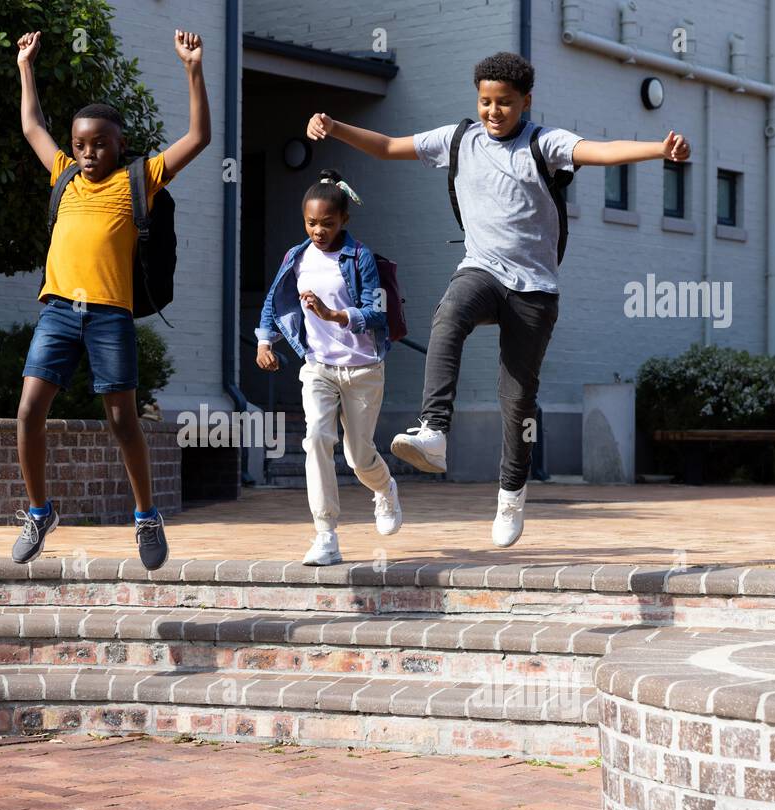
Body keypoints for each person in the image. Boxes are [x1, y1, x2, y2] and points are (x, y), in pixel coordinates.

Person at [306, 51, 689, 547]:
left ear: (526, 102)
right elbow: (386, 146)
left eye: (505, 103)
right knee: (448, 316)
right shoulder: (459, 139)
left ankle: (511, 495)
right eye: (486, 101)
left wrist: (659, 149)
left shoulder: (544, 143)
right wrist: (336, 126)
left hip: (534, 290)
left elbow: (600, 150)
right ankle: (435, 431)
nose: (493, 112)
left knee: (516, 399)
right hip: (482, 270)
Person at [13, 28, 210, 568]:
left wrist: (192, 69)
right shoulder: (64, 176)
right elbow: (33, 125)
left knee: (122, 420)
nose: (88, 152)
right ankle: (38, 511)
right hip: (57, 310)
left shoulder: (140, 178)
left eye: (99, 143)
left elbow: (198, 137)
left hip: (108, 316)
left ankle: (146, 516)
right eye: (79, 144)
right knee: (29, 410)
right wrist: (26, 66)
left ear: (120, 143)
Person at [256, 168, 402, 566]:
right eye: (311, 222)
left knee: (358, 457)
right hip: (318, 366)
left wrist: (335, 315)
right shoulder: (296, 257)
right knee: (317, 439)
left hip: (363, 368)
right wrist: (264, 341)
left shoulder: (360, 257)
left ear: (344, 221)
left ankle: (384, 488)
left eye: (327, 223)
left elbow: (377, 313)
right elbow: (273, 300)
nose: (318, 230)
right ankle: (325, 535)